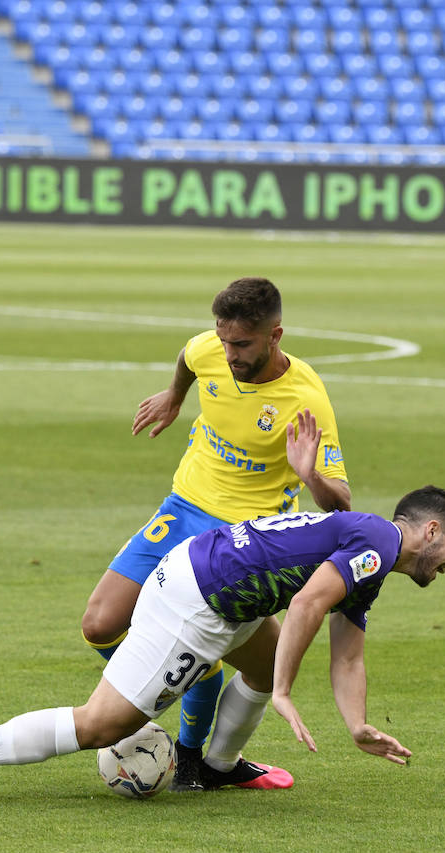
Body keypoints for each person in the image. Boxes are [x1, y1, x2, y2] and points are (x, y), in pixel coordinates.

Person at [0, 486, 445, 800]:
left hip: (223, 589)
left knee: (258, 666)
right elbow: (307, 603)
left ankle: (215, 765)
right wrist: (285, 690)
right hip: (198, 602)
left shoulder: (372, 558)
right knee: (101, 725)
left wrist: (356, 725)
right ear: (431, 531)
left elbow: (348, 651)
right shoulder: (379, 541)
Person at [80, 277, 351, 790]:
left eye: (242, 344)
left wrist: (310, 473)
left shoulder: (305, 397)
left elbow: (341, 504)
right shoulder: (210, 350)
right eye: (224, 340)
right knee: (99, 624)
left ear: (275, 336)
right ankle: (187, 682)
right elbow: (189, 354)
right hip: (182, 509)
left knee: (252, 663)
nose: (228, 353)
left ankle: (192, 761)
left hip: (239, 543)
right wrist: (174, 395)